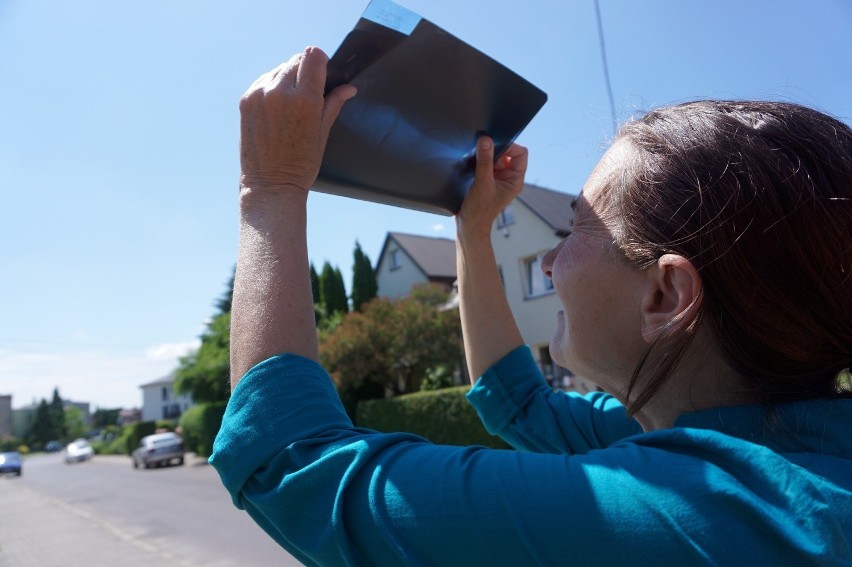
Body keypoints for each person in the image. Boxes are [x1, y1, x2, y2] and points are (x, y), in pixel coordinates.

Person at [210, 46, 852, 565]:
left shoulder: (700, 514)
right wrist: (473, 231)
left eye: (576, 230)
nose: (548, 261)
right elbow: (517, 403)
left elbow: (289, 464)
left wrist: (268, 188)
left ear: (665, 295)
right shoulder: (773, 437)